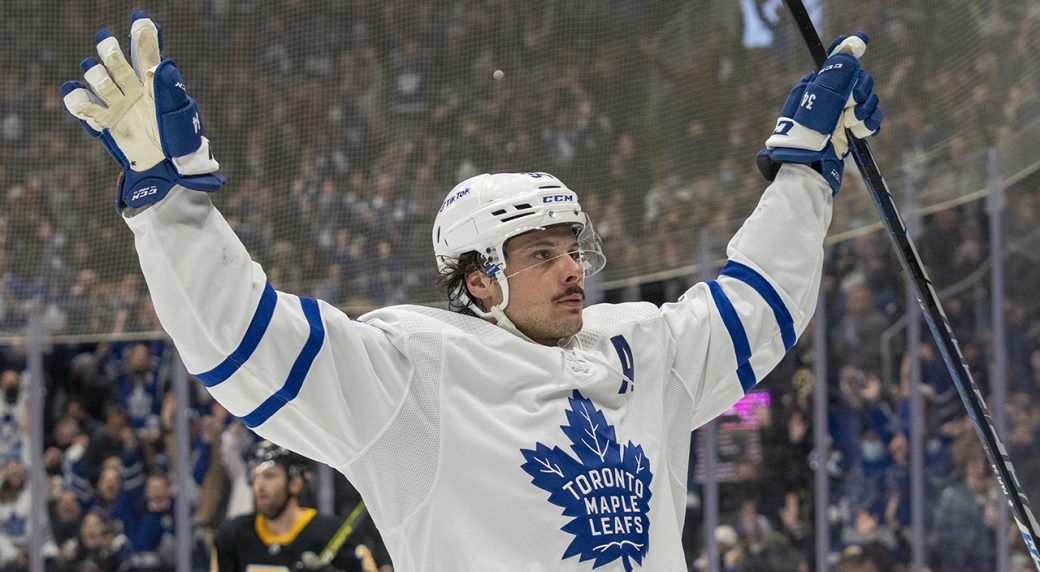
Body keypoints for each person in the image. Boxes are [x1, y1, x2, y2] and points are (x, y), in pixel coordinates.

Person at [60, 11, 882, 570]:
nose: (574, 269)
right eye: (542, 254)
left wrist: (806, 173)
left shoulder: (638, 348)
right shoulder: (416, 375)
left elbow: (758, 309)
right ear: (479, 279)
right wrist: (169, 206)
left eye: (573, 248)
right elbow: (244, 342)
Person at [212, 441, 373, 572]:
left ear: (295, 483)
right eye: (255, 477)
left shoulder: (334, 532)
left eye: (269, 475)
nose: (259, 486)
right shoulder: (233, 534)